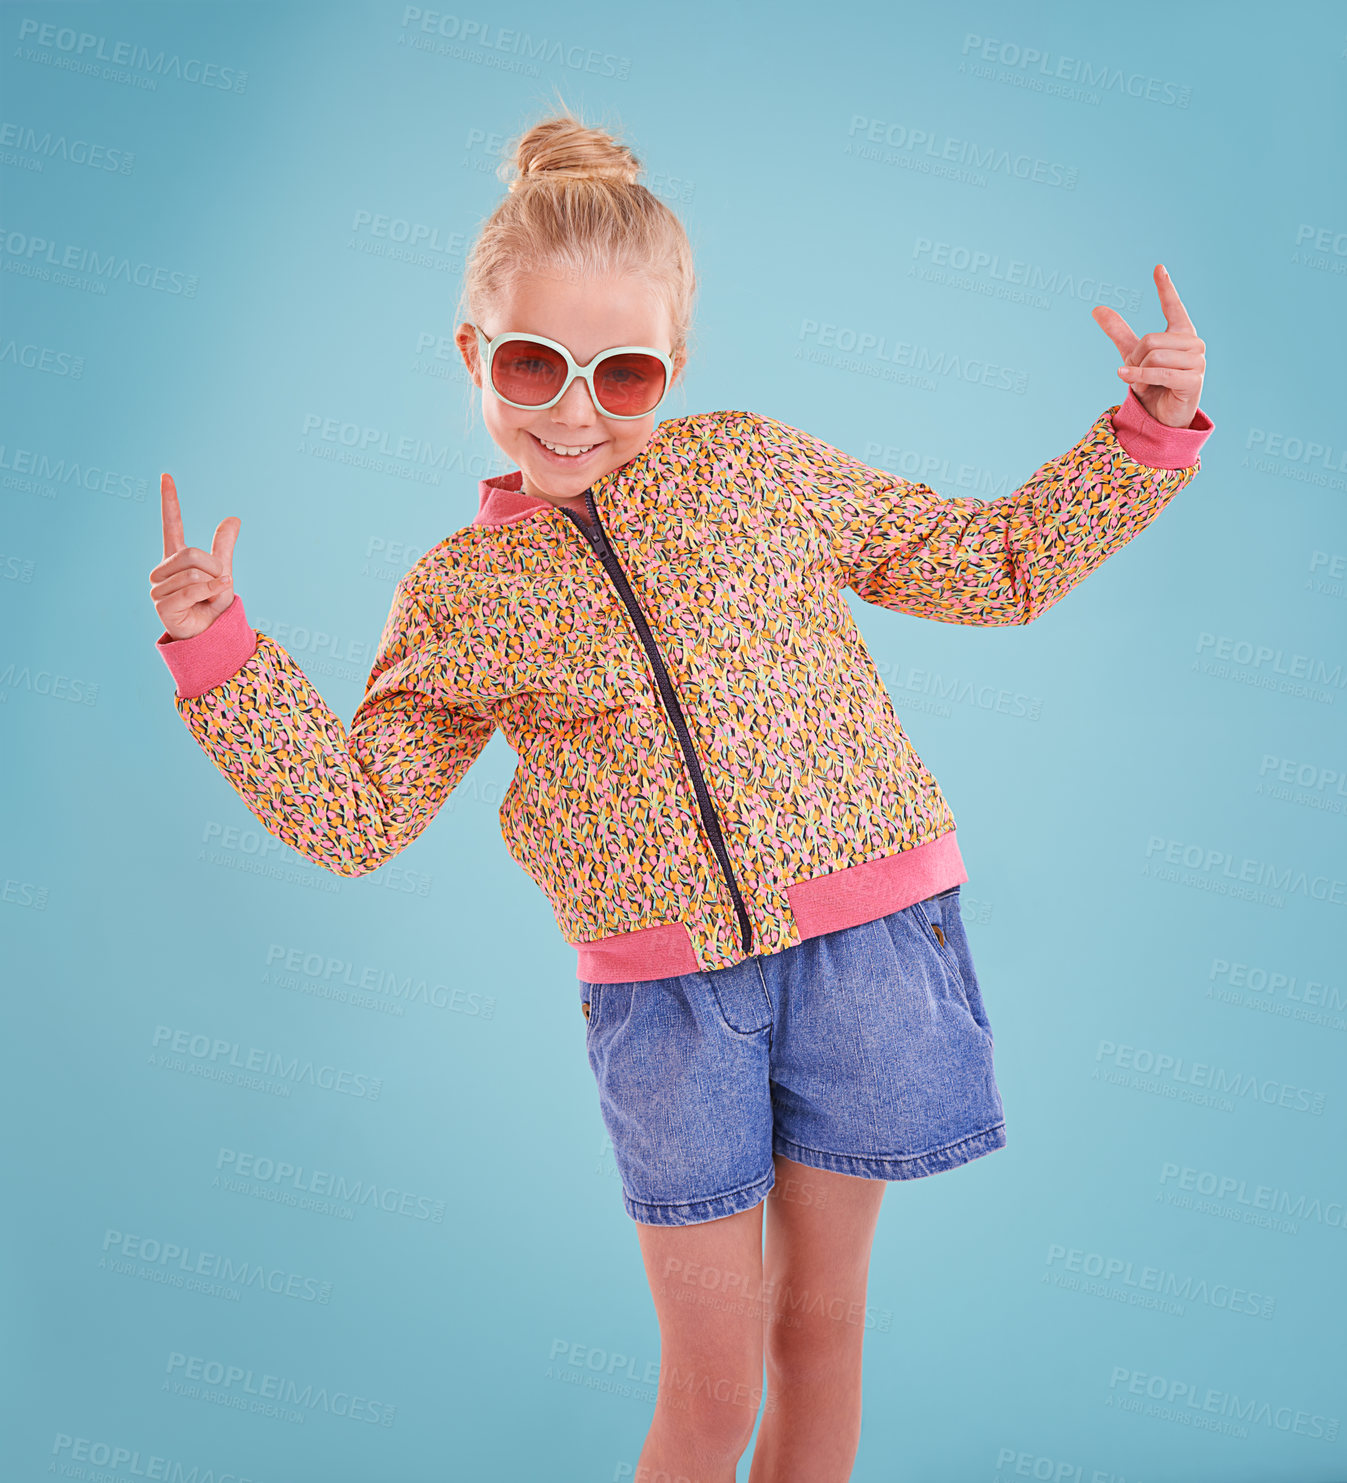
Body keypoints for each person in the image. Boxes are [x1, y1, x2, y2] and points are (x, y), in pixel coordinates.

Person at [148, 106, 1212, 1483]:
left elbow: (992, 566)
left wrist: (1148, 429)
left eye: (624, 374)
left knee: (820, 1342)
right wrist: (217, 652)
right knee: (708, 1393)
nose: (574, 410)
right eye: (532, 364)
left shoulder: (755, 471)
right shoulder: (462, 595)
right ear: (474, 354)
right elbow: (357, 816)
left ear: (679, 368)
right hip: (670, 1008)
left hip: (864, 952)